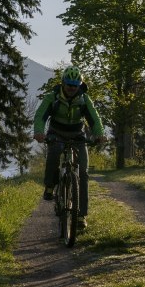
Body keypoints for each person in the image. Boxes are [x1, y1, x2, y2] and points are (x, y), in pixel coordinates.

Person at [33, 65, 106, 229]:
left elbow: (94, 119)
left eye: (75, 85)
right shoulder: (52, 97)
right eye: (69, 85)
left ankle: (81, 216)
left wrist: (99, 134)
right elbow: (40, 116)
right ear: (63, 83)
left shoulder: (84, 99)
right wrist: (39, 132)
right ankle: (50, 185)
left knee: (83, 172)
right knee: (54, 154)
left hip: (77, 134)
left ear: (79, 85)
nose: (72, 88)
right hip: (56, 133)